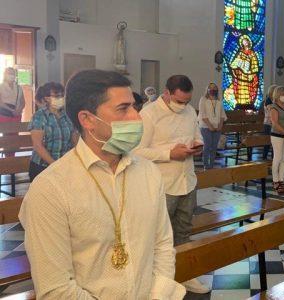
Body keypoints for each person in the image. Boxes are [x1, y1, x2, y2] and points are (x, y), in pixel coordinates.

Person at [19, 69, 185, 299]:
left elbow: (163, 245)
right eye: (123, 108)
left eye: (134, 106)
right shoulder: (50, 189)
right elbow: (56, 288)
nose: (137, 117)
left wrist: (158, 295)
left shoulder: (149, 173)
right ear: (87, 120)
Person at [134, 75, 208, 293]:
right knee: (157, 237)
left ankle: (185, 274)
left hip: (187, 180)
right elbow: (136, 151)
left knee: (184, 231)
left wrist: (198, 145)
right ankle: (156, 283)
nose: (183, 106)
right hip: (162, 185)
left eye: (187, 101)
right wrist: (169, 153)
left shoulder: (189, 111)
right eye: (179, 101)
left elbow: (198, 135)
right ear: (166, 93)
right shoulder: (148, 114)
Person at [28, 82, 78, 181]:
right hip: (42, 166)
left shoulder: (67, 116)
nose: (60, 98)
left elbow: (75, 141)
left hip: (65, 165)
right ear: (47, 98)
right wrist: (55, 164)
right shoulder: (40, 116)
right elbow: (38, 145)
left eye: (62, 95)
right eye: (56, 96)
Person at [198, 83, 226, 169]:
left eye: (214, 88)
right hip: (206, 127)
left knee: (214, 147)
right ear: (207, 89)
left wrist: (220, 125)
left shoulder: (219, 100)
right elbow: (202, 114)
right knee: (207, 146)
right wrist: (210, 126)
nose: (213, 89)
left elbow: (222, 114)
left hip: (217, 127)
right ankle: (206, 165)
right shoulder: (203, 99)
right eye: (211, 88)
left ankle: (211, 165)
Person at [262, 84, 278, 159]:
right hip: (268, 124)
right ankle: (264, 157)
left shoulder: (275, 100)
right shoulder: (268, 100)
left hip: (274, 123)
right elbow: (271, 109)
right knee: (267, 142)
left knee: (274, 142)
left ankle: (274, 157)